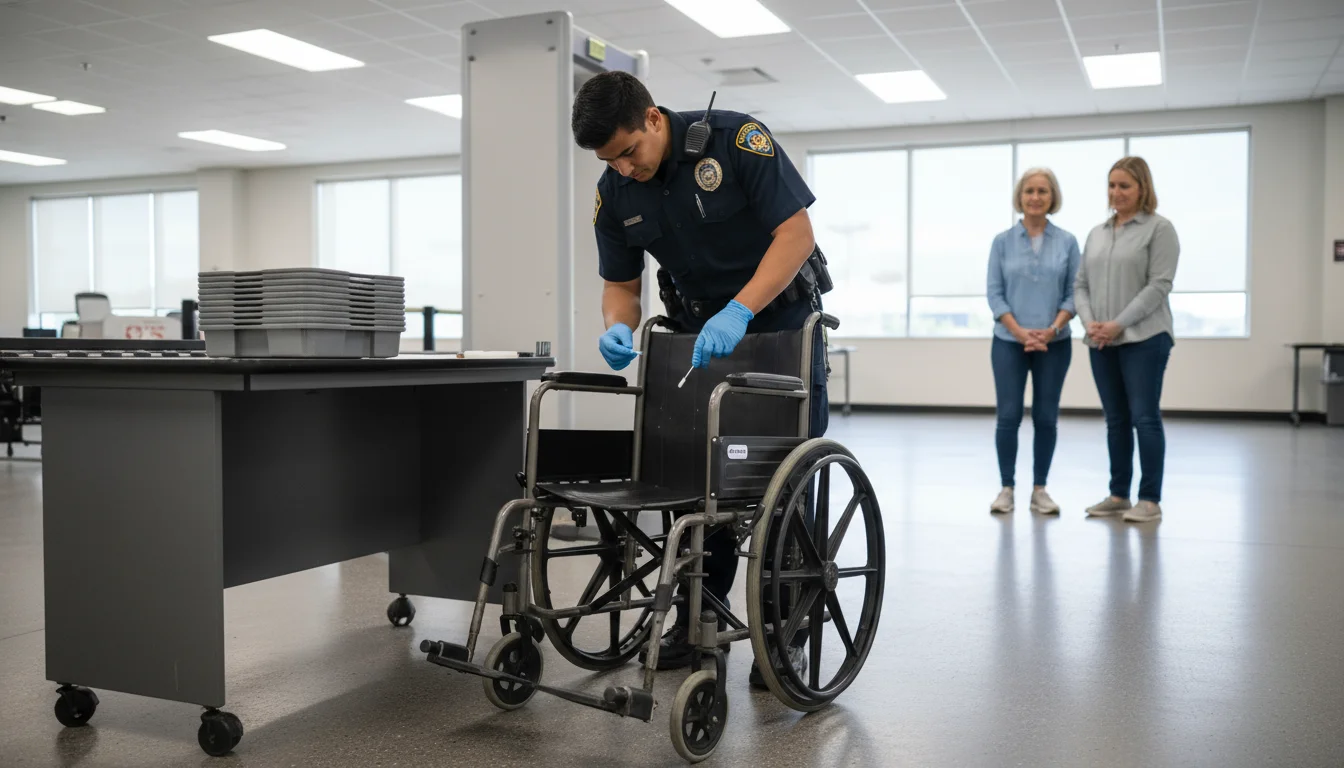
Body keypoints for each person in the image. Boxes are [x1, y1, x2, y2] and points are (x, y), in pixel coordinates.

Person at [571, 71, 829, 685]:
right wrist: (617, 326)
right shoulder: (616, 193)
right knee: (700, 480)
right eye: (612, 160)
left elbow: (796, 236)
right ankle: (699, 621)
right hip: (699, 341)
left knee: (783, 491)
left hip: (782, 329)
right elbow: (621, 285)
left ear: (654, 118)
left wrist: (741, 308)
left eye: (630, 151)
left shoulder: (736, 141)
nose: (626, 168)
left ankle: (783, 633)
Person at [1074, 156, 1179, 523]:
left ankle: (1149, 499)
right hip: (1101, 341)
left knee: (1144, 418)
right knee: (1115, 420)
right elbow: (1081, 284)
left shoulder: (1159, 229)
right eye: (1112, 185)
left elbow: (1159, 285)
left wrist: (1117, 323)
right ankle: (1119, 495)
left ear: (1142, 189)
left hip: (1145, 339)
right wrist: (1091, 323)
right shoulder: (1098, 233)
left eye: (1124, 186)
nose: (1116, 193)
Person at [986, 167, 1080, 516]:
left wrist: (1052, 329)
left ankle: (1040, 489)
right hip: (1008, 342)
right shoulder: (1002, 242)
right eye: (1029, 191)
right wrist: (1021, 332)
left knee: (1046, 417)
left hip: (1055, 343)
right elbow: (995, 296)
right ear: (1020, 197)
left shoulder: (1068, 242)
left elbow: (1073, 294)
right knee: (1008, 416)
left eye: (1043, 191)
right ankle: (1006, 488)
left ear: (1052, 196)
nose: (1036, 197)